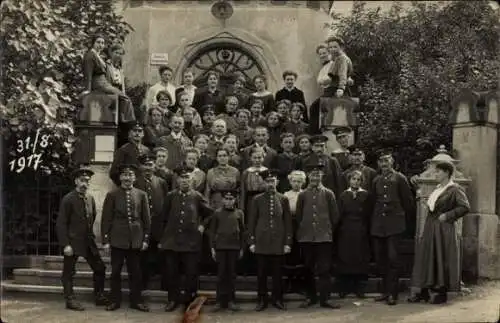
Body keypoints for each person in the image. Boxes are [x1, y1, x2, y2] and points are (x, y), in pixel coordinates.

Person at [409, 161, 470, 305]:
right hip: (431, 226)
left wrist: (448, 216)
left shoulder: (454, 189)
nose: (435, 174)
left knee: (440, 258)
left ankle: (441, 293)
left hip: (444, 228)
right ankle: (423, 292)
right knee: (426, 257)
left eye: (438, 172)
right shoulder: (437, 189)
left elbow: (465, 207)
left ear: (447, 173)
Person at [159, 167, 213, 312]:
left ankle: (190, 301)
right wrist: (162, 239)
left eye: (187, 178)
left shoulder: (197, 196)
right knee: (172, 272)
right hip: (172, 241)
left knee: (191, 273)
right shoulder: (171, 196)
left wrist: (202, 226)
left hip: (191, 242)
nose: (185, 181)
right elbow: (163, 218)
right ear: (177, 180)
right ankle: (172, 300)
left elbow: (210, 214)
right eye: (182, 178)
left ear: (192, 181)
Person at [56, 166, 110, 311]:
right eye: (82, 180)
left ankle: (99, 296)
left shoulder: (90, 199)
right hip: (72, 242)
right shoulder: (68, 199)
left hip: (88, 241)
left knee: (100, 268)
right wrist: (65, 244)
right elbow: (61, 223)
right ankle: (70, 299)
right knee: (69, 272)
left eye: (87, 180)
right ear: (76, 181)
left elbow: (91, 218)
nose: (85, 183)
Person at [101, 164, 151, 312]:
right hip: (117, 239)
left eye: (130, 175)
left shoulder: (141, 195)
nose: (127, 178)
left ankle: (136, 301)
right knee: (115, 271)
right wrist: (105, 240)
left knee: (135, 272)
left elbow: (146, 220)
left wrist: (145, 239)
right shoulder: (112, 195)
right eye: (125, 175)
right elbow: (106, 219)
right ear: (120, 178)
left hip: (135, 240)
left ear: (135, 178)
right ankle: (115, 300)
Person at [371, 148, 415, 306]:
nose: (384, 164)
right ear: (378, 163)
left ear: (392, 162)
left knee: (393, 259)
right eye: (381, 161)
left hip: (394, 225)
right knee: (380, 259)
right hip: (378, 225)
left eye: (387, 160)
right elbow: (372, 202)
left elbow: (408, 202)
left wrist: (404, 222)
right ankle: (385, 292)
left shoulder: (400, 178)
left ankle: (393, 294)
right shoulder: (376, 180)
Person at [295, 163, 341, 309]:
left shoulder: (328, 194)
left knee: (324, 269)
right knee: (308, 268)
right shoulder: (303, 195)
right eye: (312, 175)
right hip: (307, 237)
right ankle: (311, 297)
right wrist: (305, 230)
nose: (315, 177)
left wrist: (326, 231)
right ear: (308, 176)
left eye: (318, 175)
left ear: (322, 176)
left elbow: (335, 216)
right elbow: (299, 216)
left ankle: (325, 298)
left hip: (324, 237)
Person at [248, 169, 292, 311]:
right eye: (267, 181)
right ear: (263, 183)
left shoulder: (283, 199)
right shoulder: (257, 199)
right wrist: (252, 241)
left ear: (277, 182)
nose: (270, 184)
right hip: (261, 242)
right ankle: (261, 299)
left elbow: (288, 222)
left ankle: (277, 299)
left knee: (277, 273)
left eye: (272, 181)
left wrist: (287, 242)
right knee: (261, 273)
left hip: (278, 242)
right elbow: (252, 222)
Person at [134, 154, 169, 291]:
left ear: (155, 166)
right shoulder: (136, 183)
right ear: (141, 167)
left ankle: (164, 286)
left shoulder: (161, 182)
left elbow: (166, 203)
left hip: (158, 225)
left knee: (162, 255)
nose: (148, 168)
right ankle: (142, 285)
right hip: (142, 225)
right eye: (145, 165)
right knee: (142, 256)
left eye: (150, 165)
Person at [82, 35, 135, 124]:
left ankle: (124, 120)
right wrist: (88, 90)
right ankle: (129, 122)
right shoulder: (90, 55)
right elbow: (88, 74)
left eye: (102, 43)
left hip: (104, 83)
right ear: (93, 43)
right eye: (98, 42)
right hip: (100, 83)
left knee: (123, 97)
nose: (100, 45)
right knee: (125, 98)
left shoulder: (98, 56)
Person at [336, 170, 372, 299]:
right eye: (353, 179)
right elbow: (338, 215)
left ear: (361, 182)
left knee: (360, 257)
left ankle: (359, 288)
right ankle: (345, 288)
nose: (355, 182)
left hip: (361, 230)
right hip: (346, 230)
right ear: (349, 180)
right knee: (346, 257)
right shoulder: (343, 195)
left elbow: (369, 214)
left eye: (358, 180)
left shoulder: (366, 195)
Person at [209, 190, 245, 312]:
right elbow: (212, 232)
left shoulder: (239, 213)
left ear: (235, 200)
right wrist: (212, 248)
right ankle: (219, 301)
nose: (229, 201)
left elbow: (243, 232)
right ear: (223, 200)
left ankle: (231, 301)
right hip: (220, 248)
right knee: (221, 275)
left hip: (234, 248)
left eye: (231, 199)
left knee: (231, 275)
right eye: (227, 199)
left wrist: (242, 248)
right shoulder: (217, 213)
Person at [283, 170, 307, 294]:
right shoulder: (286, 195)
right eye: (294, 181)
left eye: (299, 181)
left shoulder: (305, 194)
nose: (296, 184)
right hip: (289, 225)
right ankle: (289, 282)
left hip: (302, 225)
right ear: (290, 182)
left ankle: (300, 283)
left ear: (303, 182)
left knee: (301, 254)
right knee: (290, 254)